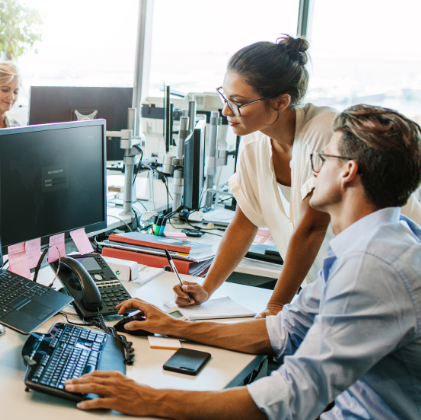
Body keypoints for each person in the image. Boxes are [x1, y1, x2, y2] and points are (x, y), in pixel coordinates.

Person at [66, 104, 421, 419]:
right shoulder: (374, 245)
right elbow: (284, 331)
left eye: (322, 159)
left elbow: (293, 395)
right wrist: (173, 326)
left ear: (347, 172)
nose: (313, 171)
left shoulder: (372, 265)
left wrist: (149, 398)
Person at [173, 35, 421, 317]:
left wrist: (276, 307)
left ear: (281, 102)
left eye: (239, 102)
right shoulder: (254, 142)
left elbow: (312, 229)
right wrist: (207, 288)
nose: (226, 111)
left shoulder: (326, 134)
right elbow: (245, 222)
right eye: (225, 97)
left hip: (387, 281)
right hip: (330, 288)